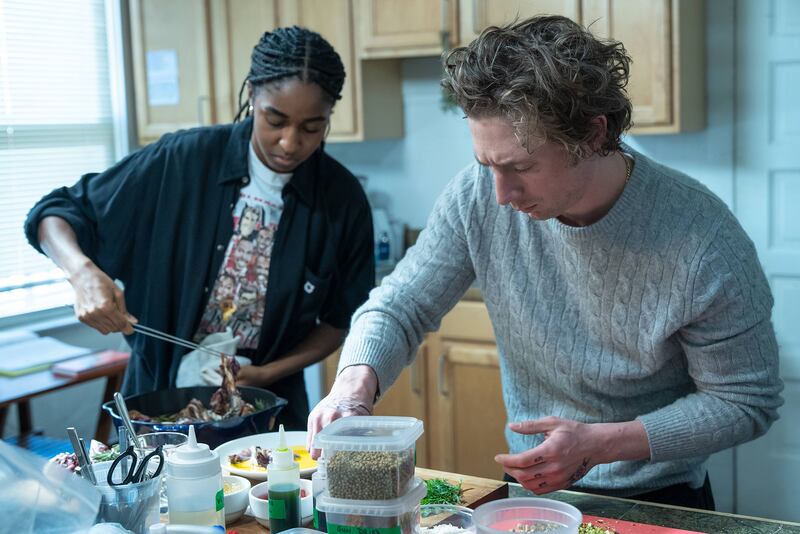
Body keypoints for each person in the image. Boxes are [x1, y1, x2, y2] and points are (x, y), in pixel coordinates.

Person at [308, 16, 783, 509]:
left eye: (521, 167)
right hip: (533, 496)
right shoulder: (477, 199)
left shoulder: (704, 240)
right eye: (486, 165)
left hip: (660, 500)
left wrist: (602, 444)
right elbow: (400, 304)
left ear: (594, 135)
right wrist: (353, 384)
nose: (500, 194)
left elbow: (744, 401)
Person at [24, 26, 374, 430]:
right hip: (156, 411)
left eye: (312, 128)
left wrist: (267, 373)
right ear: (252, 95)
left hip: (271, 412)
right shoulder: (181, 161)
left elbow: (339, 321)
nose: (289, 143)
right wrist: (82, 274)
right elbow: (56, 212)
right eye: (274, 120)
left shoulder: (341, 200)